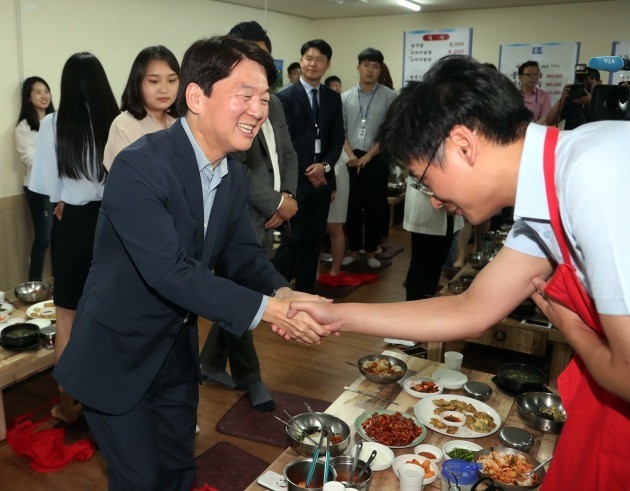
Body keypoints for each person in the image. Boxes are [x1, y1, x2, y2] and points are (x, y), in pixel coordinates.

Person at [286, 55, 630, 490]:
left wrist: (573, 329)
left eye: (424, 179)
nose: (432, 199)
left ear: (463, 144)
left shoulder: (594, 176)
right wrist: (336, 315)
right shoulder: (551, 193)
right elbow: (471, 307)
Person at [53, 36, 329, 490]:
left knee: (180, 472)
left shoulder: (233, 174)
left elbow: (241, 253)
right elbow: (171, 272)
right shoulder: (139, 166)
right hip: (116, 359)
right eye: (245, 95)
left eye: (263, 98)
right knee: (140, 481)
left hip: (175, 357)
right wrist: (270, 312)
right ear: (197, 97)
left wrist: (286, 293)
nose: (259, 110)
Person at [198, 21, 298, 412]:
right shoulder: (229, 108)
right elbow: (239, 164)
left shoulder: (274, 104)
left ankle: (207, 362)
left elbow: (287, 153)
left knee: (245, 289)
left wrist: (287, 197)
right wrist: (274, 203)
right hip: (244, 211)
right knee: (242, 294)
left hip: (274, 211)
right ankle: (251, 378)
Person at [29, 53, 120, 424]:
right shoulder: (117, 120)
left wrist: (68, 194)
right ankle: (113, 401)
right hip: (114, 223)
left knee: (66, 318)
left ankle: (67, 407)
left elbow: (46, 187)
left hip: (74, 223)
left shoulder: (53, 123)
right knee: (113, 316)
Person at [274, 39, 345, 293]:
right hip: (296, 181)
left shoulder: (332, 98)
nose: (313, 63)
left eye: (319, 59)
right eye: (308, 58)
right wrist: (311, 169)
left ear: (327, 64)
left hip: (322, 181)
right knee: (292, 240)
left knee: (314, 242)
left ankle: (304, 292)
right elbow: (287, 142)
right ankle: (276, 293)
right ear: (301, 60)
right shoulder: (283, 98)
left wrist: (324, 166)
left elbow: (337, 139)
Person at [342, 48, 396, 269]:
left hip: (377, 158)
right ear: (358, 67)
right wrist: (352, 155)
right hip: (351, 158)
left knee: (374, 207)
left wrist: (370, 155)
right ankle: (354, 251)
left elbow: (389, 131)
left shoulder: (390, 96)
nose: (370, 70)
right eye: (366, 65)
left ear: (380, 69)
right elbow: (341, 130)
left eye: (375, 66)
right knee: (352, 207)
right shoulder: (345, 97)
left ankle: (372, 250)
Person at [103, 46, 180, 170]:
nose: (164, 89)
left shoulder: (183, 121)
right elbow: (125, 178)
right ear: (137, 83)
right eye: (154, 81)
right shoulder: (124, 125)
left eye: (171, 80)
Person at [15, 76, 55, 281]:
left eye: (46, 91)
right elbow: (29, 158)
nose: (44, 96)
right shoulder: (24, 126)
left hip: (59, 187)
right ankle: (35, 284)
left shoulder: (56, 120)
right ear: (28, 97)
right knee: (43, 238)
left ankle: (61, 283)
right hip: (38, 189)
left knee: (60, 238)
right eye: (38, 92)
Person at [403, 179, 464, 300]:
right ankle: (412, 308)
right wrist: (439, 196)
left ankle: (428, 300)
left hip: (449, 208)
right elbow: (416, 171)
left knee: (438, 261)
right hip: (427, 202)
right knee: (421, 263)